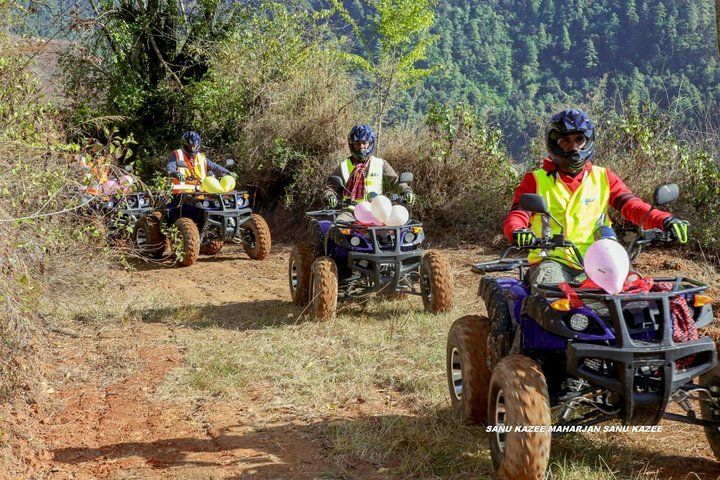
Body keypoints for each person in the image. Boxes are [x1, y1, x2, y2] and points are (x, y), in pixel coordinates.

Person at [503, 108, 689, 287]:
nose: (574, 147)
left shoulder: (603, 177)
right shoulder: (536, 180)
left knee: (637, 294)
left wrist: (665, 220)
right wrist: (518, 231)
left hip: (603, 260)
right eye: (565, 141)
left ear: (588, 141)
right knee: (552, 298)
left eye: (579, 140)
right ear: (554, 144)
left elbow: (632, 206)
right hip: (553, 260)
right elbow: (519, 213)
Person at [323, 124, 415, 223]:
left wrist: (407, 191)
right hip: (351, 211)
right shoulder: (344, 166)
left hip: (378, 210)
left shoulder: (381, 164)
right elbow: (331, 187)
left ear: (370, 143)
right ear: (352, 145)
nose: (361, 147)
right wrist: (330, 196)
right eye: (357, 143)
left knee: (402, 230)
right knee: (338, 227)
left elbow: (396, 182)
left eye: (364, 143)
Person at [166, 131, 235, 184]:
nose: (193, 148)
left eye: (195, 146)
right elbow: (169, 168)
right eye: (190, 146)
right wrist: (177, 174)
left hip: (200, 191)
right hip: (182, 192)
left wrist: (227, 173)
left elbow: (214, 167)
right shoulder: (177, 154)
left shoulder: (201, 157)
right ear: (185, 145)